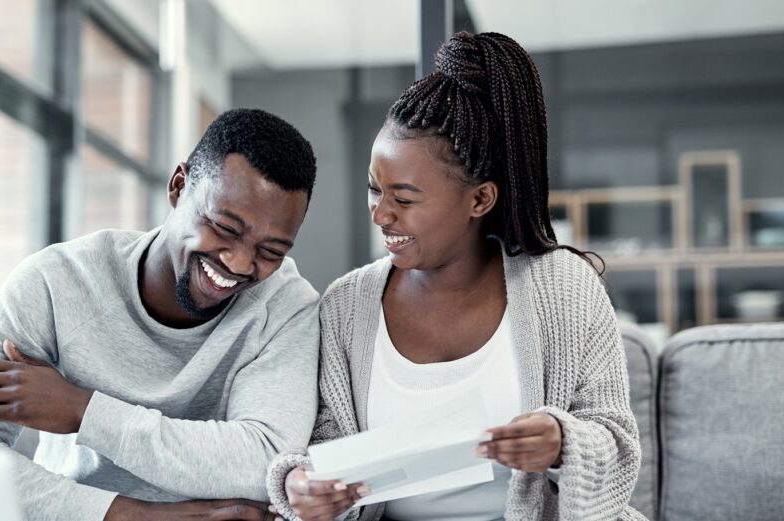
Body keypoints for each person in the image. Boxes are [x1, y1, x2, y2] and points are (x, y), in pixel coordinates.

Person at [265, 32, 644, 521]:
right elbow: (324, 446)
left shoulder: (565, 287)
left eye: (403, 199)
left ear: (480, 200)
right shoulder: (346, 305)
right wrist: (303, 486)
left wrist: (561, 442)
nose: (380, 215)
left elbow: (616, 441)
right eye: (373, 189)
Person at [0, 108, 321, 521]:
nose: (239, 264)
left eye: (270, 251)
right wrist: (135, 515)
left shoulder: (287, 307)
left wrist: (82, 410)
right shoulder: (56, 282)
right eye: (224, 227)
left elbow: (269, 463)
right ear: (179, 186)